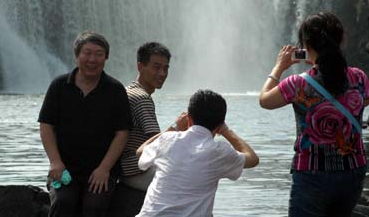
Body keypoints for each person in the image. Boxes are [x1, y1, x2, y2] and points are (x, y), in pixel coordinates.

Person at [259, 12, 369, 217]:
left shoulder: (298, 83)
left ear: (306, 44)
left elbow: (264, 100)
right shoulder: (359, 77)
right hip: (353, 172)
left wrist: (279, 66)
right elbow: (363, 99)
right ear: (340, 40)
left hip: (311, 174)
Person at [38, 31, 132, 217]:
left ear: (106, 58)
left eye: (98, 54)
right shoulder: (59, 86)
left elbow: (122, 133)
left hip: (101, 170)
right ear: (77, 56)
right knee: (63, 203)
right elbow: (46, 126)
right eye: (87, 53)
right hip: (65, 169)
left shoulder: (115, 90)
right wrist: (55, 162)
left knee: (94, 207)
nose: (92, 59)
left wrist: (104, 169)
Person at [135, 89, 259, 217]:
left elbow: (140, 151)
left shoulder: (168, 139)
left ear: (189, 120)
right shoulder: (218, 151)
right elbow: (253, 159)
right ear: (218, 126)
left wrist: (175, 126)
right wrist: (226, 131)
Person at [108, 42, 187, 217]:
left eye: (166, 68)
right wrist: (177, 126)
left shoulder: (128, 90)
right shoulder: (142, 98)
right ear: (140, 66)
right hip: (134, 169)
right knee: (186, 186)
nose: (162, 74)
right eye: (156, 67)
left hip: (123, 167)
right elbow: (159, 143)